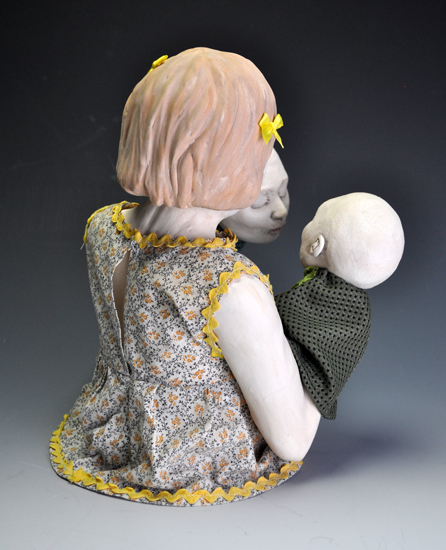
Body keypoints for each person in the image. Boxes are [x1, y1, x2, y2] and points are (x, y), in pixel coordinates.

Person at [49, 48, 320, 507]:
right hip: (193, 460)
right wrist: (330, 347)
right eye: (260, 142)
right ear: (234, 164)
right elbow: (291, 441)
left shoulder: (102, 228)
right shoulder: (231, 287)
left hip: (112, 430)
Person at [275, 193, 405, 419]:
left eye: (314, 220)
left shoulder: (321, 292)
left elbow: (278, 314)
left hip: (284, 387)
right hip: (305, 402)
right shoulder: (359, 311)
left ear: (317, 246)